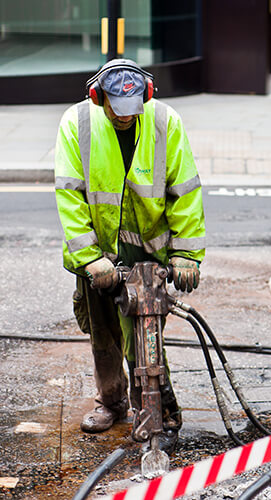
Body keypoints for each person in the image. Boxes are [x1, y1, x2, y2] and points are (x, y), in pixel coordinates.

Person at [54, 59, 206, 451]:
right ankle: (111, 402)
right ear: (97, 96)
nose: (125, 118)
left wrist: (186, 253)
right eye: (117, 111)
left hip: (146, 251)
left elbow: (185, 190)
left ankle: (158, 414)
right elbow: (70, 196)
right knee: (103, 332)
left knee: (144, 337)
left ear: (147, 96)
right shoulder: (77, 124)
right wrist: (89, 258)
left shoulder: (164, 122)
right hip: (98, 254)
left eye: (132, 110)